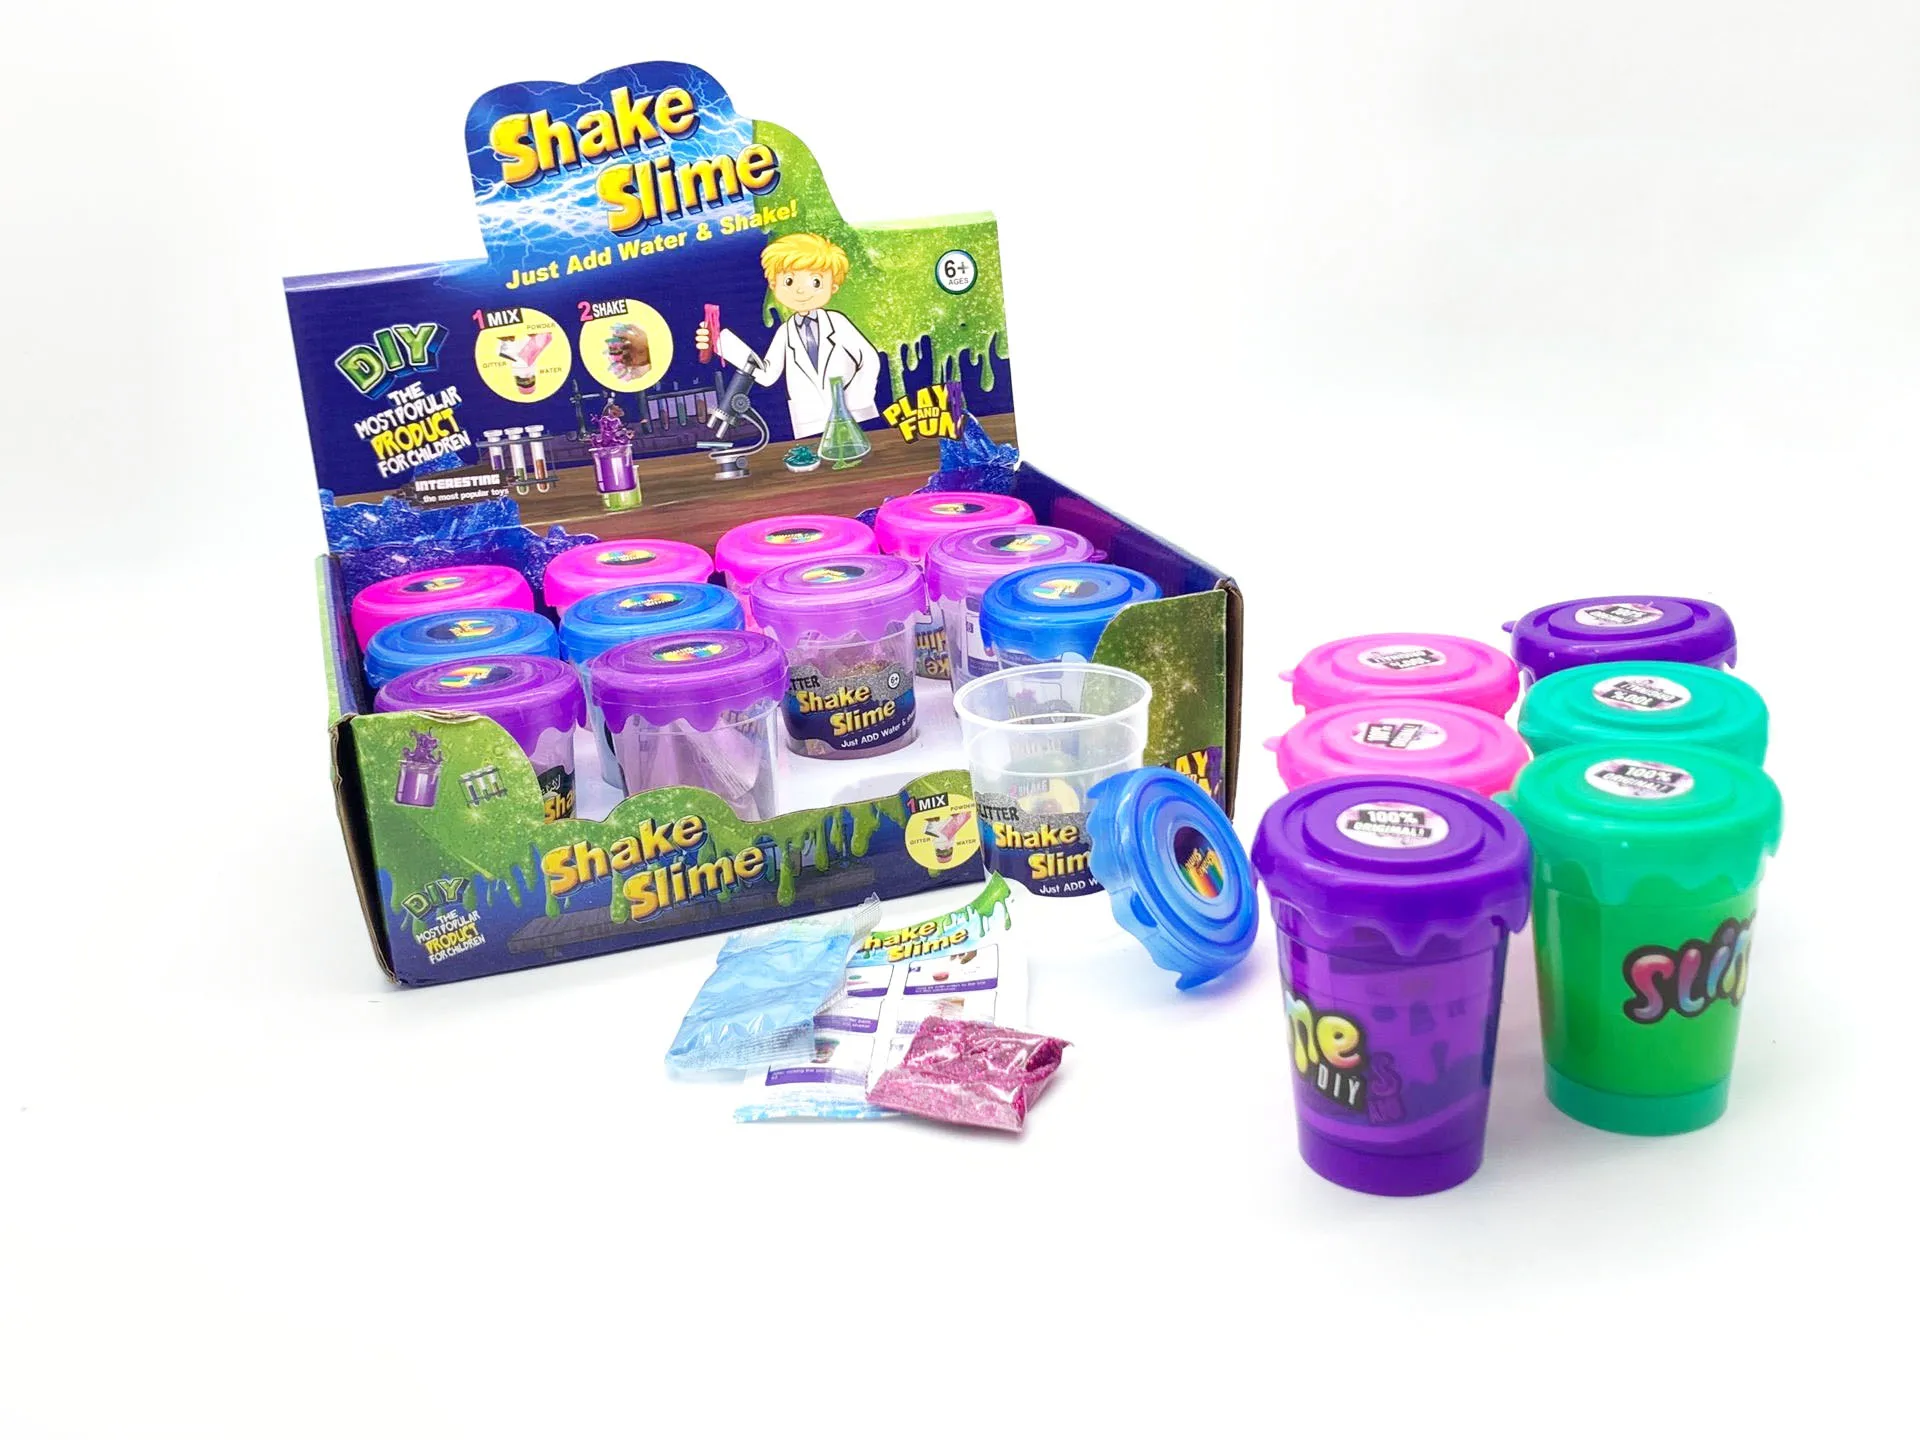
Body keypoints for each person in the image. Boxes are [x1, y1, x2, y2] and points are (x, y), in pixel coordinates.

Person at [694, 233, 882, 438]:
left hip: (855, 416)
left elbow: (869, 360)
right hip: (810, 422)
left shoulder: (838, 322)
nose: (800, 291)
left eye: (815, 281)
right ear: (774, 286)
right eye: (789, 281)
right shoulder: (785, 332)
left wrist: (855, 399)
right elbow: (767, 375)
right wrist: (718, 341)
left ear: (833, 286)